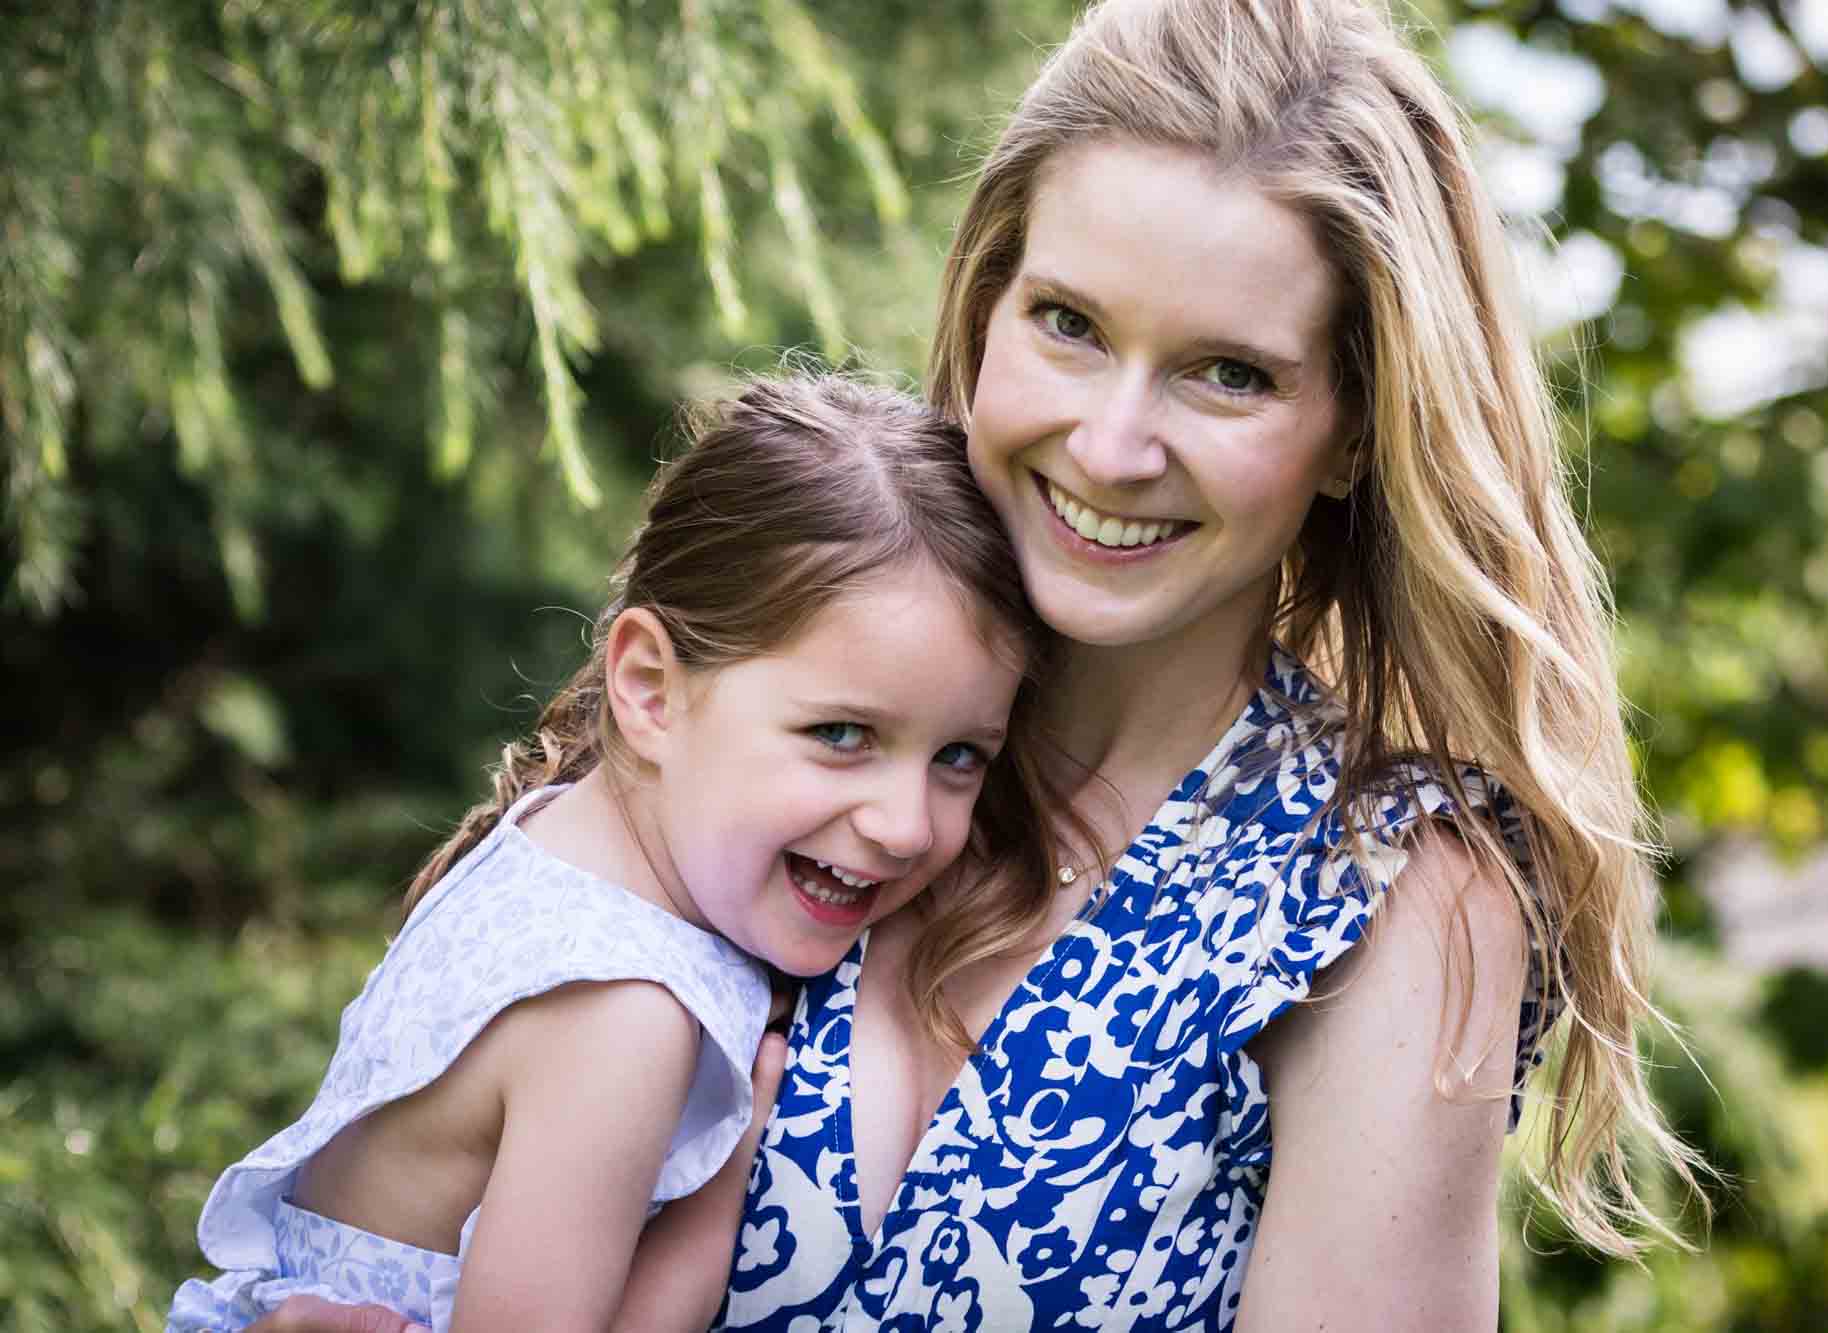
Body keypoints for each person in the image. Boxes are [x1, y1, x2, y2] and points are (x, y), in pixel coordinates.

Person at [252, 1, 1706, 1329]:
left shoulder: (1388, 890)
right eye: (1069, 325)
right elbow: (389, 1203)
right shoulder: (790, 677)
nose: (1114, 446)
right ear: (987, 305)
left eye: (1229, 373)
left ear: (1354, 430)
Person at [169, 374, 1057, 1333]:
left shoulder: (556, 839)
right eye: (842, 733)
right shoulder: (623, 1016)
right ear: (649, 689)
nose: (907, 825)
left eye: (960, 755)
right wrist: (733, 1188)